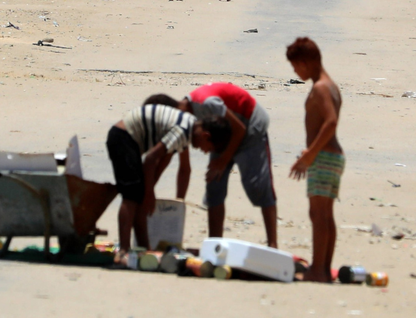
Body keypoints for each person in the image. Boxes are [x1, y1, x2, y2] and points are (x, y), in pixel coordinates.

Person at [147, 83, 277, 248]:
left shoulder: (206, 103)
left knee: (258, 186)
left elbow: (240, 129)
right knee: (214, 185)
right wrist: (176, 206)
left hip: (249, 125)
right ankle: (215, 244)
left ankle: (273, 243)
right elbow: (181, 166)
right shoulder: (185, 123)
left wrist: (222, 161)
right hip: (221, 134)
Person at [106, 102, 231, 260]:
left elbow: (163, 160)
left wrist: (146, 191)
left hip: (129, 141)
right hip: (123, 138)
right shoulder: (183, 131)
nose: (204, 151)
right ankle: (123, 251)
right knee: (131, 196)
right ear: (206, 136)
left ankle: (145, 250)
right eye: (208, 148)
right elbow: (151, 159)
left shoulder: (188, 128)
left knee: (139, 197)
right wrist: (149, 193)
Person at [286, 37, 344, 283]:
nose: (295, 71)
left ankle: (319, 270)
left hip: (324, 156)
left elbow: (330, 123)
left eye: (296, 66)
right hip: (331, 156)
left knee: (318, 214)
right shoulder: (330, 85)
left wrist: (310, 155)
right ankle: (323, 268)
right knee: (324, 214)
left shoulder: (320, 87)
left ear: (306, 62)